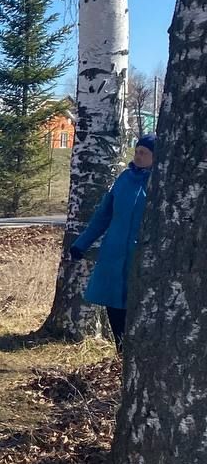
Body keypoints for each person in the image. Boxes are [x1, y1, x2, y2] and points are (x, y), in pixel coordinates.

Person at [69, 134, 156, 352]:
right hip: (113, 255)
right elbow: (103, 215)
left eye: (143, 153)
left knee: (139, 309)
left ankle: (137, 359)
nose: (137, 156)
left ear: (156, 157)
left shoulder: (161, 183)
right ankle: (120, 355)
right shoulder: (124, 179)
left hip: (142, 260)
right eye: (136, 151)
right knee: (115, 306)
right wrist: (82, 244)